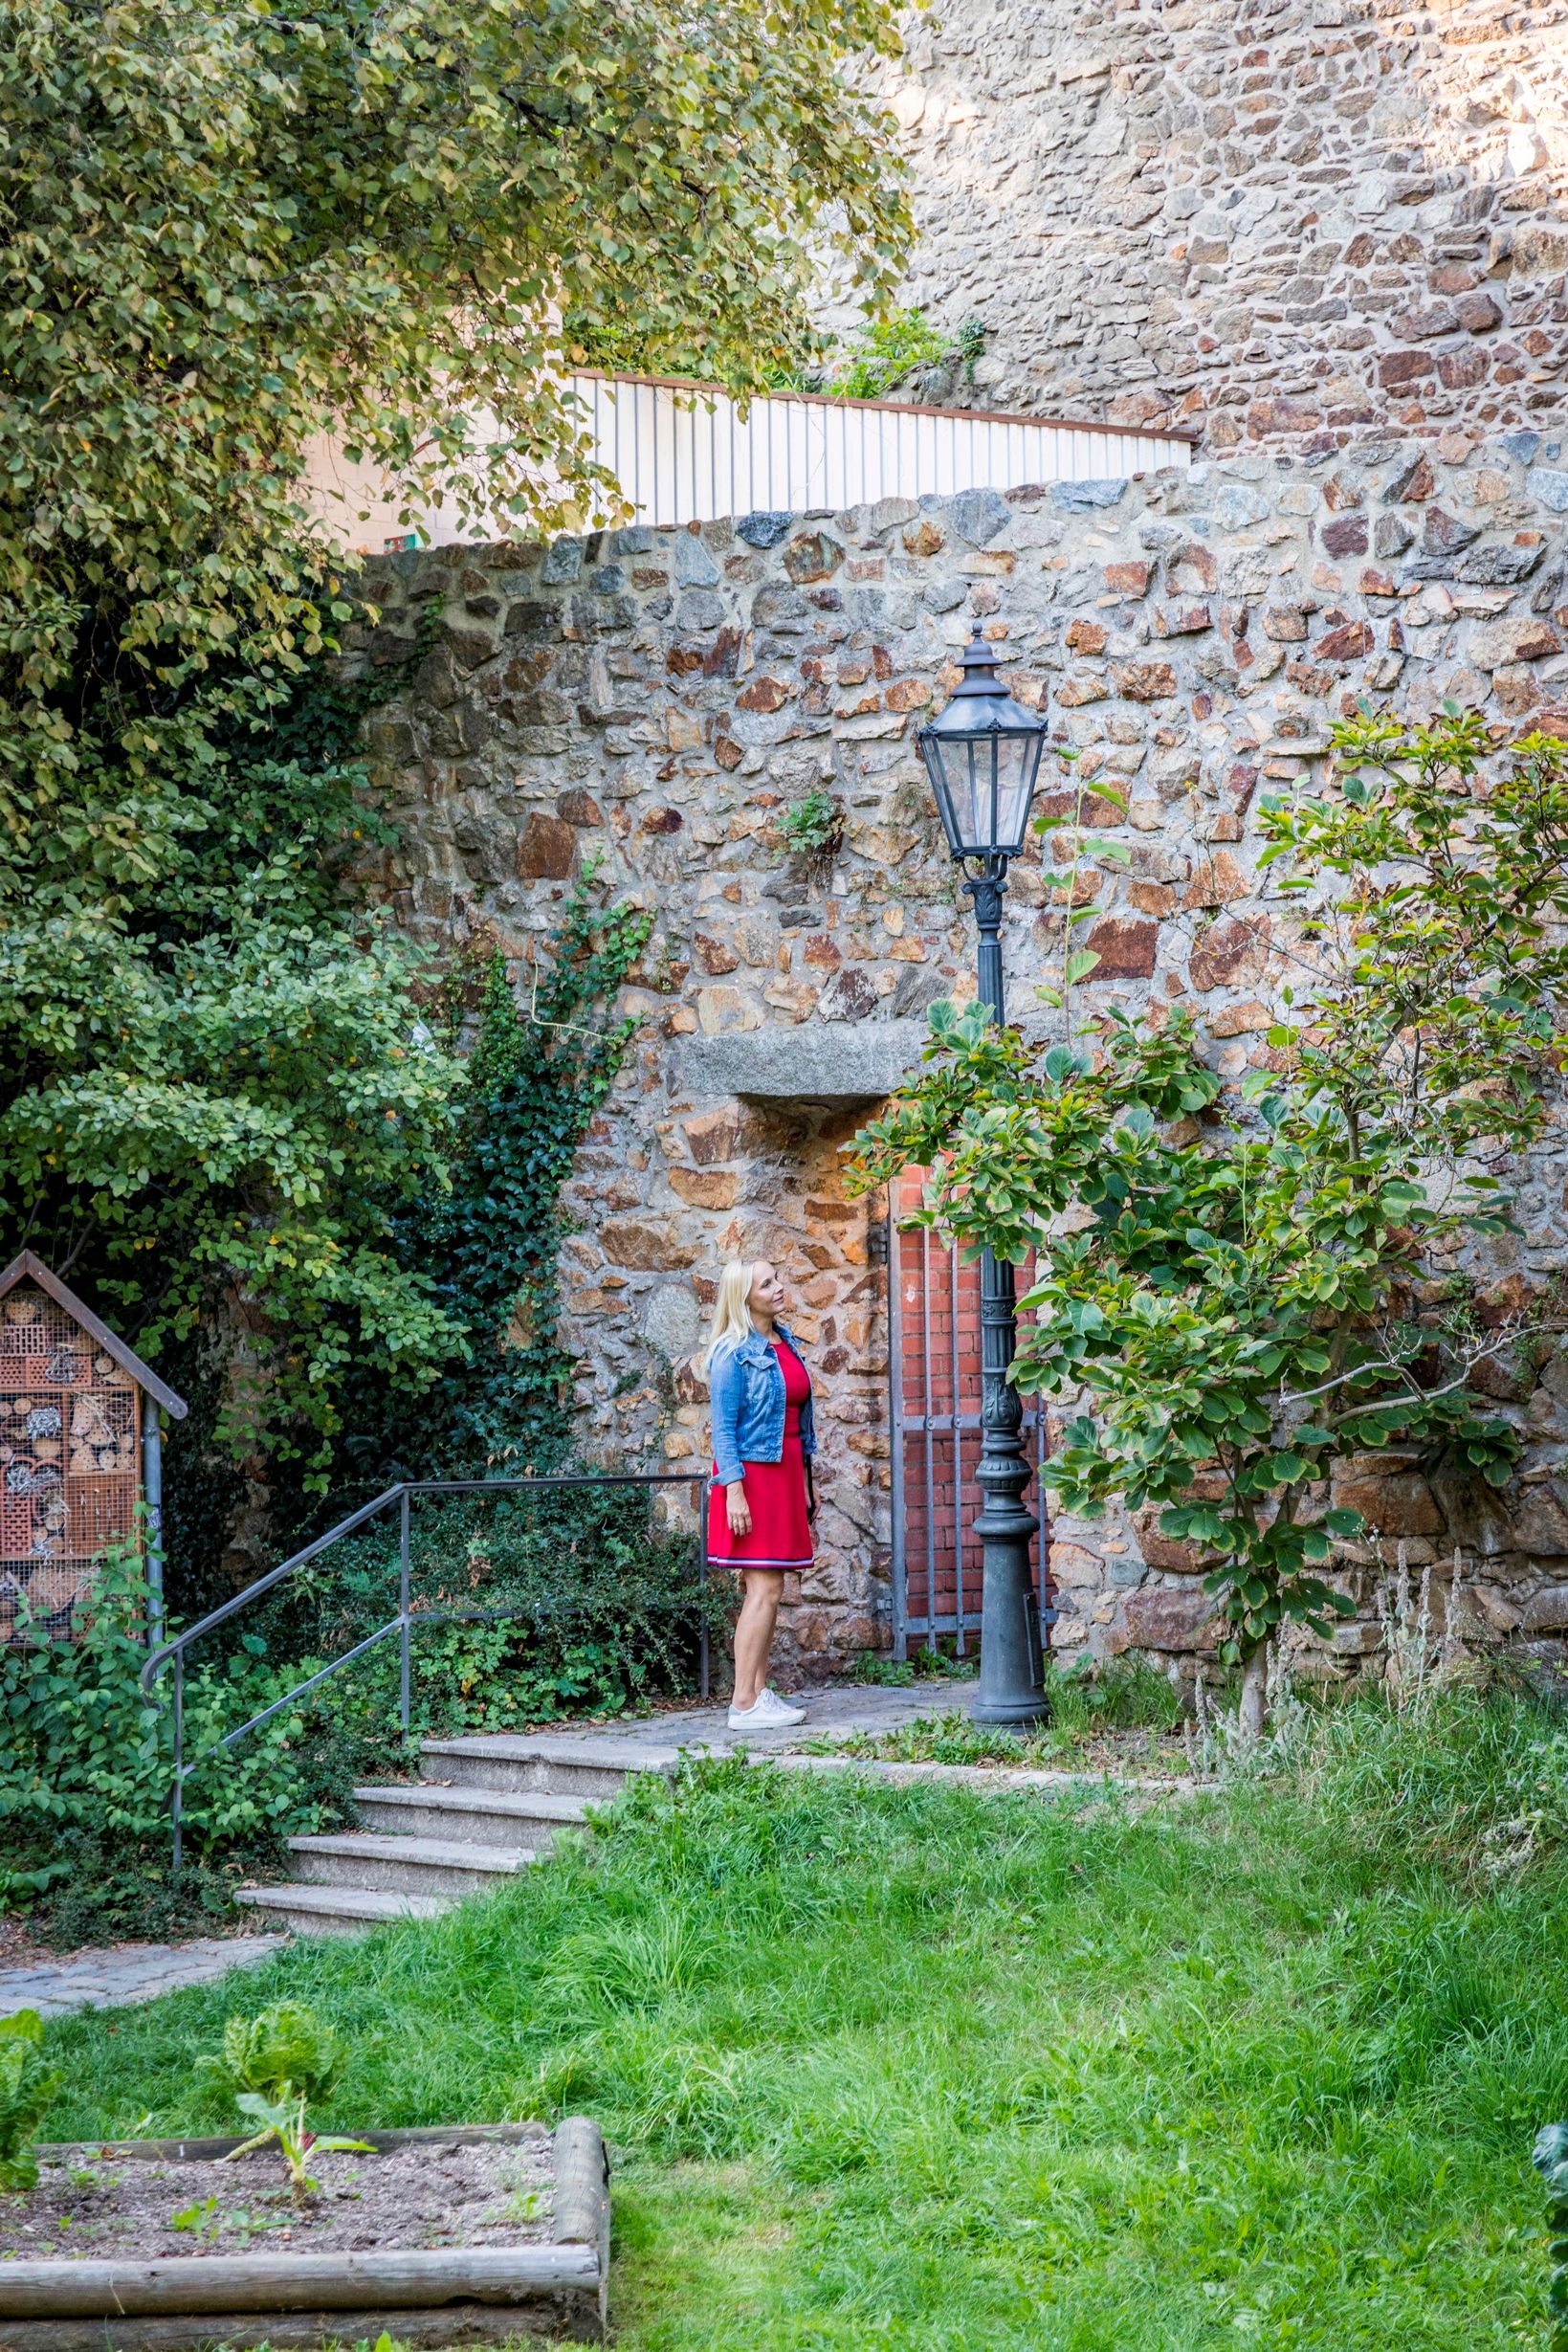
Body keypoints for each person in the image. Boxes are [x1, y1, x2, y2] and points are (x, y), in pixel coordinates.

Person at [703, 1258, 815, 1731]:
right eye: (766, 1284)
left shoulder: (783, 1342)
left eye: (777, 1279)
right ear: (743, 1297)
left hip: (786, 1474)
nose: (778, 1287)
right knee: (763, 1588)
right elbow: (723, 1432)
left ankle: (756, 1694)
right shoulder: (731, 1353)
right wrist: (734, 1492)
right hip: (751, 1479)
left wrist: (808, 1485)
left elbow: (801, 1424)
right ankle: (743, 1703)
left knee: (771, 1588)